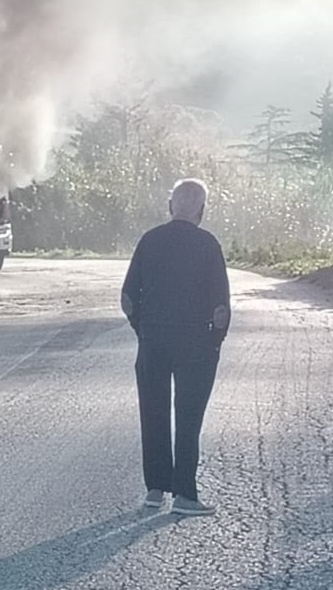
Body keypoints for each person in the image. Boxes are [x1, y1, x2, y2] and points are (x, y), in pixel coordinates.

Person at [121, 178, 231, 516]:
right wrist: (215, 341)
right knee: (188, 418)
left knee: (153, 413)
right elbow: (221, 309)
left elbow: (127, 298)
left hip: (154, 339)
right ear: (201, 209)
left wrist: (143, 329)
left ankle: (155, 490)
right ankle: (185, 494)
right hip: (196, 342)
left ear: (171, 206)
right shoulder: (208, 244)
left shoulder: (150, 240)